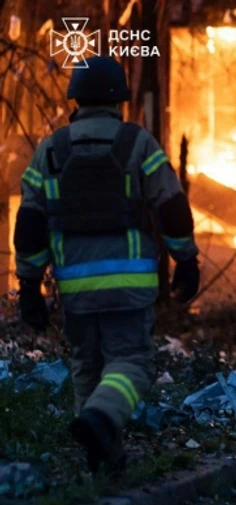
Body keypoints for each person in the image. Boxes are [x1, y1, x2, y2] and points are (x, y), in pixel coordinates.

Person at [14, 56, 199, 473]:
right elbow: (170, 205)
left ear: (75, 98)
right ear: (119, 100)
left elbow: (30, 221)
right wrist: (185, 258)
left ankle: (104, 457)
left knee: (88, 365)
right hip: (128, 284)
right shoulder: (137, 143)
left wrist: (29, 285)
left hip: (75, 286)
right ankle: (99, 419)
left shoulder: (52, 149)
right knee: (131, 363)